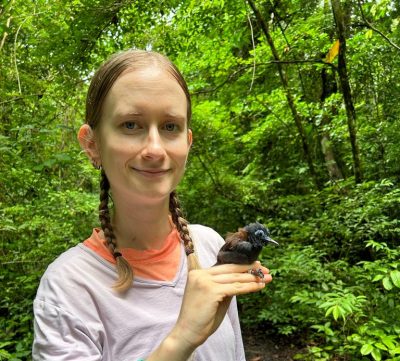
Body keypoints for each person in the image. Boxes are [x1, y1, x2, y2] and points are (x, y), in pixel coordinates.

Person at [32, 49, 272, 361]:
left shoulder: (212, 245)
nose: (155, 149)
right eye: (131, 125)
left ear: (187, 142)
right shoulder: (70, 286)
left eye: (170, 126)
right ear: (92, 144)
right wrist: (180, 340)